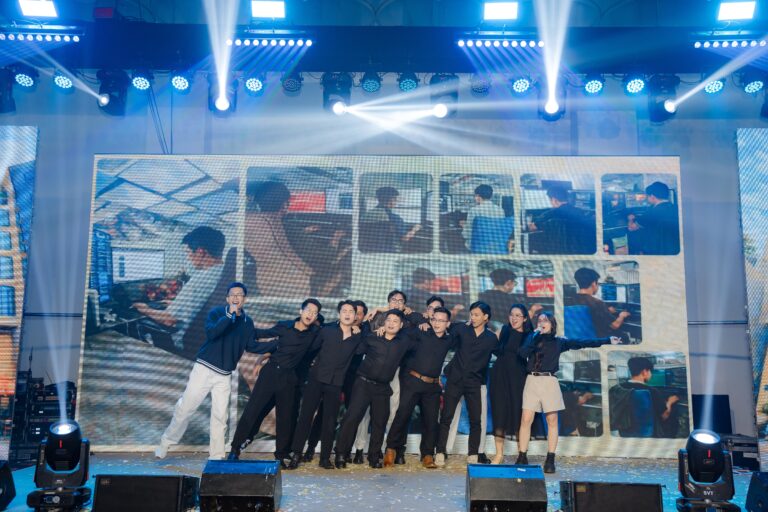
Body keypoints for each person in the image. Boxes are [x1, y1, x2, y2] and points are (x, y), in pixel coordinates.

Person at [154, 282, 274, 460]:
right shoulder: (217, 313)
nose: (236, 297)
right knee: (186, 408)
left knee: (220, 416)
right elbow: (212, 333)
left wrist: (277, 345)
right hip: (204, 368)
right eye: (232, 294)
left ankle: (216, 456)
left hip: (224, 375)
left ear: (245, 299)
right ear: (227, 298)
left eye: (239, 295)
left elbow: (251, 346)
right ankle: (166, 441)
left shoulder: (247, 322)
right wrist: (229, 315)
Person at [516, 312, 620, 473]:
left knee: (552, 420)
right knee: (526, 419)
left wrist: (606, 340)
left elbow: (582, 343)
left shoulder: (559, 342)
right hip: (532, 380)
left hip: (549, 381)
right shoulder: (532, 338)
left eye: (545, 320)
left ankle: (550, 459)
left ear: (552, 324)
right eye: (539, 320)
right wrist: (534, 337)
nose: (542, 323)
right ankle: (522, 456)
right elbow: (522, 354)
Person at [227, 299, 322, 465]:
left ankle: (281, 454)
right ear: (301, 311)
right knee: (253, 410)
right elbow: (262, 334)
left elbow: (335, 328)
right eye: (308, 310)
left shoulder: (315, 334)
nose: (310, 314)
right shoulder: (284, 326)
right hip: (270, 373)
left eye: (315, 313)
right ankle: (235, 448)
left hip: (289, 378)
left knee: (285, 418)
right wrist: (240, 327)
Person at [334, 309, 416, 469]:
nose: (391, 323)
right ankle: (341, 454)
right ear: (383, 322)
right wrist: (366, 323)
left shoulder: (404, 342)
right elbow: (357, 350)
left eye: (395, 321)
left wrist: (411, 314)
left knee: (380, 422)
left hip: (383, 388)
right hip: (363, 384)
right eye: (388, 320)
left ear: (401, 325)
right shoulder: (372, 337)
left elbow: (416, 330)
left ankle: (374, 457)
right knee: (352, 418)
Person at [288, 301, 364, 470]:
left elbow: (361, 351)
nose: (347, 314)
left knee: (329, 422)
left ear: (355, 316)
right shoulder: (327, 331)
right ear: (339, 314)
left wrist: (359, 332)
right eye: (344, 311)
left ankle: (324, 458)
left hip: (336, 384)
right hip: (316, 380)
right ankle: (296, 454)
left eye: (351, 311)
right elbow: (311, 350)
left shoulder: (357, 338)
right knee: (305, 417)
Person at [384, 306, 456, 469]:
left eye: (441, 321)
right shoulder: (421, 332)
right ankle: (390, 450)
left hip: (433, 386)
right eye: (434, 319)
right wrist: (422, 321)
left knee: (431, 422)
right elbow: (403, 329)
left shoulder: (449, 339)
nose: (437, 323)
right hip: (413, 382)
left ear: (447, 323)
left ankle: (427, 455)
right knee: (402, 416)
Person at [133, 226, 225, 350]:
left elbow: (169, 320)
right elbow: (205, 306)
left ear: (200, 252)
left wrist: (144, 308)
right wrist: (176, 303)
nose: (188, 257)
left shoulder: (200, 280)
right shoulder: (224, 274)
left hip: (185, 343)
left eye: (188, 252)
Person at [435, 302, 499, 466]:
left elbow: (501, 355)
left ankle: (473, 454)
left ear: (485, 317)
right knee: (446, 417)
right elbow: (445, 337)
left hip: (474, 383)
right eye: (472, 314)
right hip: (455, 380)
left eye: (477, 315)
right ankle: (440, 451)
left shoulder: (491, 338)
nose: (473, 317)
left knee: (476, 420)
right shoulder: (461, 329)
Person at [244, 181, 314, 296]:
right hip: (293, 281)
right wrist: (312, 273)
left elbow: (271, 243)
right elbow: (287, 252)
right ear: (283, 204)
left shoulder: (247, 219)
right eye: (287, 202)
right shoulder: (274, 221)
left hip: (264, 280)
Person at [488, 304, 532, 464]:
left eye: (518, 315)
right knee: (499, 413)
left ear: (525, 318)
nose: (514, 318)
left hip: (518, 378)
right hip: (499, 376)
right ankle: (499, 454)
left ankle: (522, 454)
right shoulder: (504, 330)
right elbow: (490, 343)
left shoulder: (530, 335)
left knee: (519, 414)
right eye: (511, 314)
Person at [609, 356, 680, 437]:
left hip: (624, 432)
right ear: (644, 372)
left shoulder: (616, 389)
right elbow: (664, 416)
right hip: (650, 435)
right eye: (650, 371)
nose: (651, 374)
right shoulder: (652, 391)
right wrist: (670, 402)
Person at [527, 185, 596, 254]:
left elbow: (532, 228)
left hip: (557, 252)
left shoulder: (550, 214)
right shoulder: (581, 212)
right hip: (579, 252)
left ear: (554, 200)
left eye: (550, 200)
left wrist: (529, 223)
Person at [570, 267, 631, 338]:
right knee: (624, 336)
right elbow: (615, 325)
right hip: (599, 339)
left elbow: (588, 313)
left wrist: (606, 311)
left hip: (580, 337)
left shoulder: (571, 299)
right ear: (593, 283)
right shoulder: (597, 303)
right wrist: (622, 315)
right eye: (598, 283)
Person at [360, 186, 422, 252]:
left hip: (367, 251)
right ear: (392, 200)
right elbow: (405, 238)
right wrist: (414, 229)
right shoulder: (393, 218)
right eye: (396, 200)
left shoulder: (365, 215)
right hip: (389, 251)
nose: (396, 202)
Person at [628, 181, 680, 255]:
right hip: (674, 249)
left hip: (655, 251)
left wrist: (630, 218)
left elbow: (631, 228)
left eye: (647, 196)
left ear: (652, 196)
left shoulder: (651, 213)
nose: (647, 198)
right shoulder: (676, 208)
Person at [463, 184, 505, 249]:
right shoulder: (500, 210)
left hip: (478, 245)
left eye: (475, 196)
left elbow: (468, 233)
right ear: (491, 196)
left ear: (478, 196)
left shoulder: (474, 210)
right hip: (496, 245)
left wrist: (464, 227)